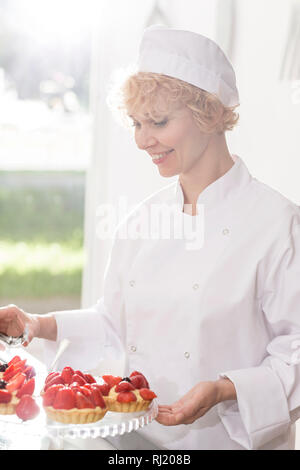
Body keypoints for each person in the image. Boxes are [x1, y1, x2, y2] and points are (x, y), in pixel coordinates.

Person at [1, 25, 300, 450]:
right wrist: (36, 325)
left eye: (158, 122)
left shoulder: (278, 225)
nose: (143, 140)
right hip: (133, 440)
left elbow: (296, 351)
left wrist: (225, 388)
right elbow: (115, 323)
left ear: (211, 114)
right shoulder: (140, 222)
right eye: (137, 123)